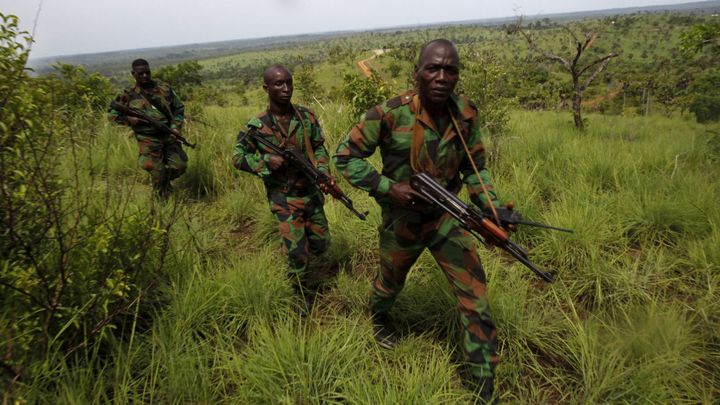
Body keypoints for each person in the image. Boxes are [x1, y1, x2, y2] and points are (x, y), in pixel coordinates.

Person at [333, 39, 505, 402]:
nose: (442, 77)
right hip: (403, 220)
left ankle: (483, 379)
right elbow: (346, 157)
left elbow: (476, 170)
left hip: (447, 216)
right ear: (418, 72)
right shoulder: (390, 114)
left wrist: (492, 207)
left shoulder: (466, 114)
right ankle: (379, 317)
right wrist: (386, 187)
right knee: (390, 282)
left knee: (475, 294)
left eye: (451, 70)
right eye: (434, 68)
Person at [233, 65, 334, 307]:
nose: (286, 88)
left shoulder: (306, 117)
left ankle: (290, 245)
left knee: (321, 244)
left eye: (289, 82)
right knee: (298, 255)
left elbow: (319, 146)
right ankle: (300, 295)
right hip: (284, 198)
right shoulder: (256, 126)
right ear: (266, 88)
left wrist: (323, 170)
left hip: (310, 192)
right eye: (278, 84)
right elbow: (238, 157)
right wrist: (266, 161)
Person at [108, 58, 188, 199]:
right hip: (148, 138)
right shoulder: (128, 94)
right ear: (133, 74)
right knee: (157, 171)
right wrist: (130, 120)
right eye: (141, 73)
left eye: (147, 72)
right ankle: (160, 203)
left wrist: (175, 128)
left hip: (168, 134)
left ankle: (163, 181)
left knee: (180, 167)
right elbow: (112, 116)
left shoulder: (164, 89)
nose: (145, 76)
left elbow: (179, 109)